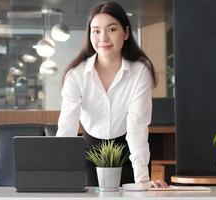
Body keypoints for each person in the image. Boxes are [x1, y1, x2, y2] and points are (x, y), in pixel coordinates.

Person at [56, 1, 167, 188]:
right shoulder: (76, 75)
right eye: (96, 30)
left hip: (128, 152)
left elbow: (137, 126)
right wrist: (57, 175)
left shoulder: (140, 71)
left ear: (126, 33)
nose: (103, 38)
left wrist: (143, 181)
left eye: (112, 29)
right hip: (90, 153)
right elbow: (67, 126)